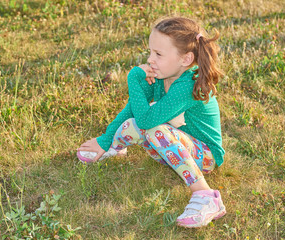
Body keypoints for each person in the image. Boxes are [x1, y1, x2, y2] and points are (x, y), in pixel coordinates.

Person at [77, 17, 226, 228]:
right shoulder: (160, 75)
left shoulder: (189, 84)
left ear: (185, 59)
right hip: (170, 148)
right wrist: (105, 139)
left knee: (152, 126)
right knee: (136, 122)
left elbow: (147, 121)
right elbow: (133, 111)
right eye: (150, 52)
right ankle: (115, 148)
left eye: (158, 54)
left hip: (205, 156)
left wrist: (133, 79)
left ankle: (206, 196)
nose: (150, 60)